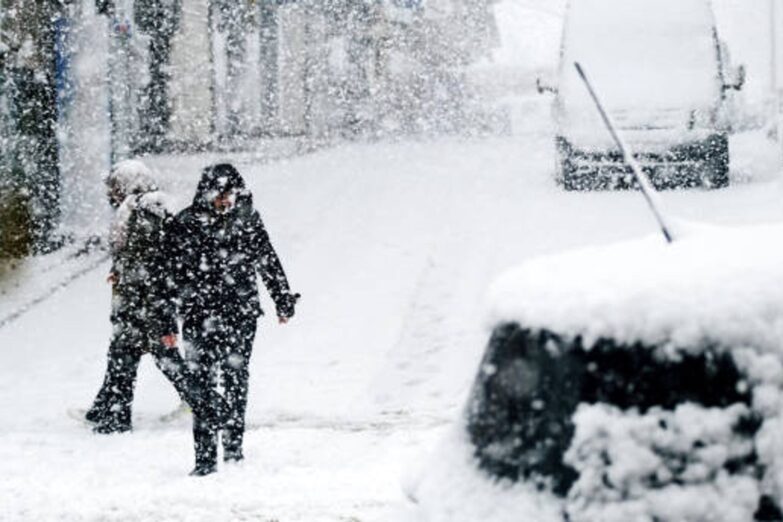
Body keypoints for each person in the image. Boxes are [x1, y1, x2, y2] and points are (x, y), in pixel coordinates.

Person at [170, 163, 297, 476]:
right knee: (199, 382)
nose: (225, 200)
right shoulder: (186, 222)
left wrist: (282, 299)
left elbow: (267, 258)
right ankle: (204, 457)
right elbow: (168, 273)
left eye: (230, 194)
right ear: (206, 193)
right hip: (198, 316)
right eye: (219, 194)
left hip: (239, 314)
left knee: (235, 377)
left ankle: (233, 449)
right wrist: (166, 313)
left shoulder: (247, 219)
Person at [85, 159, 226, 441]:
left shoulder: (142, 212)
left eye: (114, 186)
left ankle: (210, 406)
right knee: (123, 358)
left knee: (159, 360)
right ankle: (107, 412)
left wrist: (144, 294)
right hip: (140, 302)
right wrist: (120, 272)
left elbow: (152, 262)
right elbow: (137, 257)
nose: (110, 193)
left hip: (144, 305)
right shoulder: (141, 210)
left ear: (128, 183)